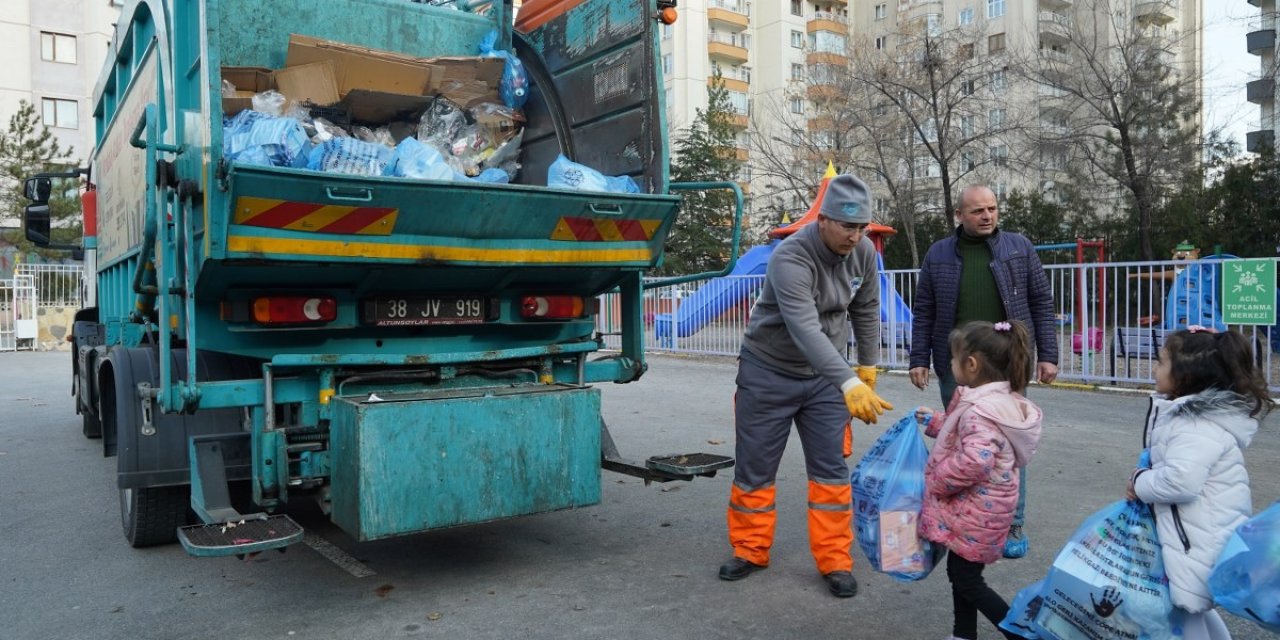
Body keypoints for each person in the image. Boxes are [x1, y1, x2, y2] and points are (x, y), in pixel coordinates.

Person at [718, 173, 893, 598]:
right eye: (848, 227)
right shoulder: (790, 257)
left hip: (824, 382)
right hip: (768, 373)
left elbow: (867, 308)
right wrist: (849, 381)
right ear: (824, 220)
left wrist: (867, 366)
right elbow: (805, 329)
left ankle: (835, 558)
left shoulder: (864, 252)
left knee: (831, 472)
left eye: (862, 227)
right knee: (755, 468)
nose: (856, 236)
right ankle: (750, 549)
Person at [908, 185, 1057, 559]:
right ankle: (963, 521)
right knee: (961, 442)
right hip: (955, 367)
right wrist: (918, 358)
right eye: (977, 211)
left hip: (1010, 365)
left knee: (1007, 447)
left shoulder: (1018, 247)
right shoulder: (939, 254)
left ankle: (1012, 522)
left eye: (992, 209)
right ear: (959, 215)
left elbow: (1041, 301)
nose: (987, 216)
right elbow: (924, 308)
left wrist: (1048, 355)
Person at [1126, 327, 1274, 640]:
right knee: (1192, 607)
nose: (1154, 368)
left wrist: (1140, 482)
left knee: (1182, 610)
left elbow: (1181, 482)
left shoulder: (1193, 424)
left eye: (1162, 362)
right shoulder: (1191, 417)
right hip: (1197, 534)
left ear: (1186, 375)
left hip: (1194, 540)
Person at [915, 320, 1043, 640]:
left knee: (967, 579)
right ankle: (963, 634)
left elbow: (975, 459)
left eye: (953, 359)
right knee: (962, 574)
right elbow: (968, 435)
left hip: (976, 511)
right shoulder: (996, 402)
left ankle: (1019, 633)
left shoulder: (980, 410)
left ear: (971, 365)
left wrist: (936, 479)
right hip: (985, 509)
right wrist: (935, 422)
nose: (950, 365)